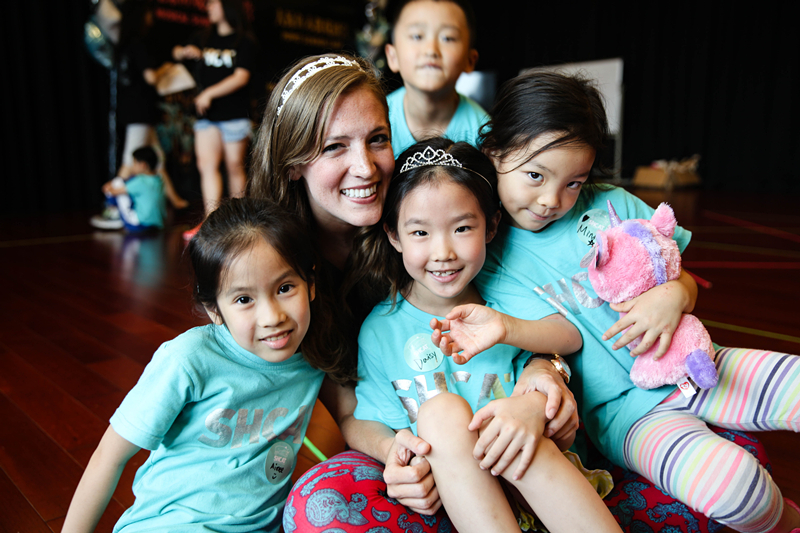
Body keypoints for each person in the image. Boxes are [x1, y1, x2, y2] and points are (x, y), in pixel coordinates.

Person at [435, 70, 800, 533]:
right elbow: (564, 336)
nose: (551, 199)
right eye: (535, 176)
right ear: (494, 153)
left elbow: (680, 277)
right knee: (739, 492)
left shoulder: (612, 204)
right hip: (627, 416)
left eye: (573, 182)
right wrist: (506, 327)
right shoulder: (491, 256)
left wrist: (675, 294)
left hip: (695, 363)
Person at [249, 54, 578, 532]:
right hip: (404, 441)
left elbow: (539, 316)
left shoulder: (433, 206)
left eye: (377, 139)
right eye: (334, 146)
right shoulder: (272, 269)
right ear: (293, 161)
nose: (365, 167)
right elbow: (351, 410)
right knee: (317, 503)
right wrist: (393, 453)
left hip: (508, 431)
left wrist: (546, 374)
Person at [353, 137, 619, 533]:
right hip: (467, 503)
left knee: (506, 420)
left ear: (491, 225)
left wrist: (542, 381)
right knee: (440, 412)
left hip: (544, 482)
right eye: (420, 233)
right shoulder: (381, 331)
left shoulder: (512, 301)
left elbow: (559, 348)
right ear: (394, 235)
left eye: (462, 228)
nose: (443, 252)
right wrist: (392, 448)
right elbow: (368, 417)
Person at [63, 198, 333, 532]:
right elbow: (109, 456)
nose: (272, 317)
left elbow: (353, 414)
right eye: (244, 299)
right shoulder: (188, 359)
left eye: (285, 288)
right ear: (214, 310)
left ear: (311, 285)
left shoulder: (315, 356)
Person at [173, 0, 255, 239]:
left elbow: (241, 77)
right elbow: (175, 52)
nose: (208, 7)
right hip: (207, 116)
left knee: (234, 166)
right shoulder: (203, 37)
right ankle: (210, 223)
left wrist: (209, 93)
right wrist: (186, 51)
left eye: (212, 3)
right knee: (206, 166)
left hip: (234, 114)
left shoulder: (245, 40)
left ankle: (240, 225)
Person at [384, 0, 489, 156]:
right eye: (417, 36)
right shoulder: (375, 120)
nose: (431, 50)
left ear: (470, 60)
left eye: (448, 38)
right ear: (392, 56)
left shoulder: (485, 137)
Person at [115, 1, 188, 210]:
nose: (151, 18)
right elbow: (151, 78)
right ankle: (111, 206)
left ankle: (175, 200)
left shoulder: (124, 45)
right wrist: (166, 69)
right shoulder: (138, 43)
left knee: (158, 159)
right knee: (130, 161)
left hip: (134, 110)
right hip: (140, 111)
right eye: (148, 13)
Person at [90, 146, 166, 232]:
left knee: (117, 182)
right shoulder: (158, 179)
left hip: (139, 225)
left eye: (134, 163)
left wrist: (108, 186)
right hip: (157, 224)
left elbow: (112, 191)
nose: (132, 166)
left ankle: (113, 213)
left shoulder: (140, 181)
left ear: (143, 165)